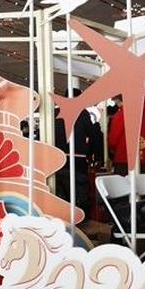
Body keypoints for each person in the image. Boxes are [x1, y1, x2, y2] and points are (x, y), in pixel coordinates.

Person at [54, 88, 94, 219]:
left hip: (58, 158)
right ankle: (80, 216)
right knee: (79, 187)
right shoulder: (83, 113)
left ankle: (63, 215)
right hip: (78, 157)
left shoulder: (54, 113)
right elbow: (92, 134)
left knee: (61, 188)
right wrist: (92, 154)